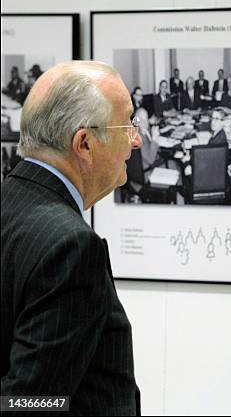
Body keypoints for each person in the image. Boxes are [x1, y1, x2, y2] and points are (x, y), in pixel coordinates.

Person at [1, 60, 141, 414]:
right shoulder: (71, 246)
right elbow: (30, 404)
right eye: (127, 125)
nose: (136, 140)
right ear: (85, 144)